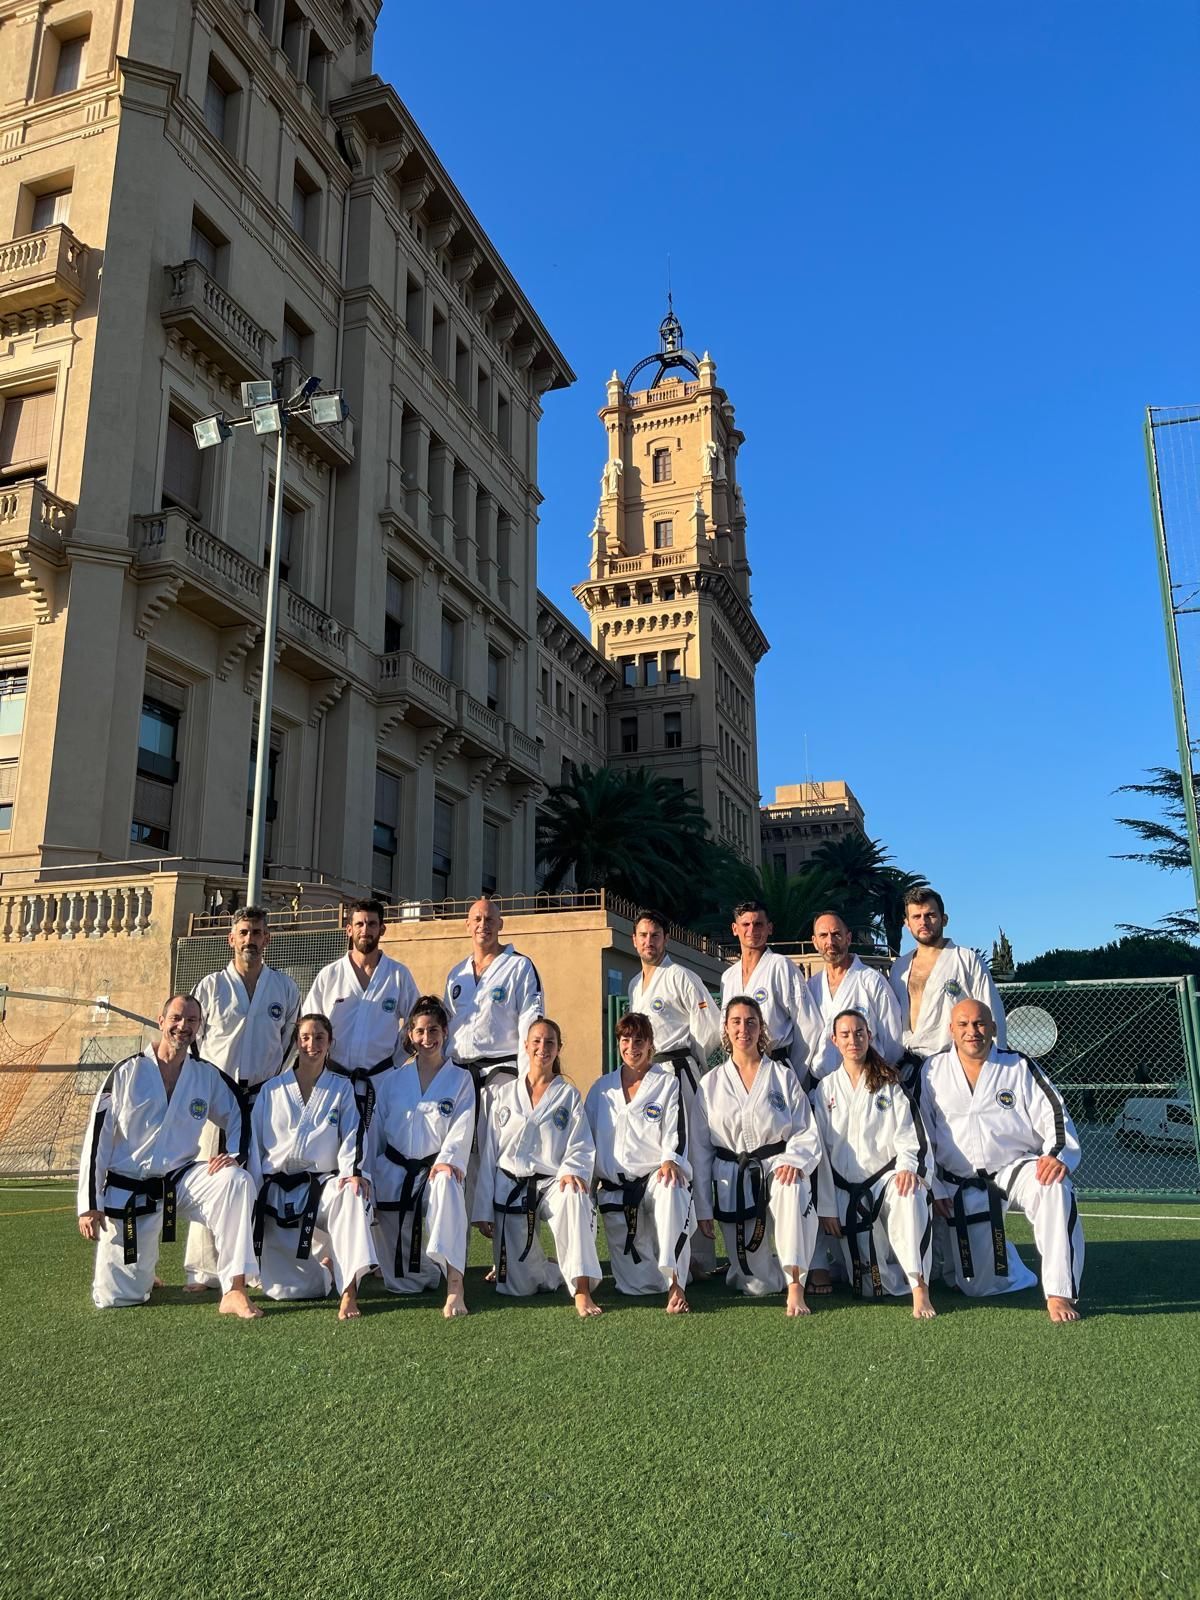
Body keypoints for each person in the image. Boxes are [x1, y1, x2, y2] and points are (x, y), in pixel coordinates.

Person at [76, 995, 261, 1318]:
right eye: (176, 1018)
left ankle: (234, 1288)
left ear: (199, 1027)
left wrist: (234, 1154)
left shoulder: (205, 1075)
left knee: (235, 1181)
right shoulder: (127, 1072)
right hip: (130, 1189)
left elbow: (238, 1112)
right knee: (117, 1297)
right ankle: (140, 1274)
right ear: (161, 1021)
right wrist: (91, 1204)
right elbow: (97, 1139)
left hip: (180, 1182)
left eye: (191, 1020)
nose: (183, 1026)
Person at [918, 999, 1083, 1322]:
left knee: (1054, 1187)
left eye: (980, 1024)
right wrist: (933, 1183)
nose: (972, 1032)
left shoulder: (1017, 1066)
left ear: (993, 1028)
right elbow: (921, 1132)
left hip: (1015, 1167)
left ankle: (1059, 1292)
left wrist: (1056, 1155)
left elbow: (1056, 1115)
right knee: (976, 1286)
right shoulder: (933, 1070)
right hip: (960, 1180)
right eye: (963, 1025)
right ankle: (1012, 1266)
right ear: (951, 1030)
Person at [185, 904, 300, 1291]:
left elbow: (288, 1043)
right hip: (218, 1099)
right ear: (231, 939)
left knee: (257, 1179)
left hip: (263, 1094)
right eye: (244, 933)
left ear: (267, 939)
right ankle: (202, 1269)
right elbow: (196, 1045)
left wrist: (270, 1084)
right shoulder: (210, 986)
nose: (251, 940)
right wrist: (208, 1087)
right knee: (211, 1176)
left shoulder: (284, 987)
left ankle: (252, 1265)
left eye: (257, 933)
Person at [692, 996, 823, 1316]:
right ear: (725, 1029)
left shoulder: (782, 1075)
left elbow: (806, 1131)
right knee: (753, 1283)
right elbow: (699, 1149)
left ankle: (796, 1285)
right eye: (736, 1022)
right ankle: (772, 1269)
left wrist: (794, 1161)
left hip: (778, 1166)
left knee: (792, 1190)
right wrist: (703, 1208)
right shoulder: (710, 1083)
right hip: (733, 1176)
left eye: (751, 1022)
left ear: (761, 1028)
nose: (743, 1029)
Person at [472, 1017, 603, 1317]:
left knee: (574, 1196)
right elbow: (490, 1153)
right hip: (511, 1186)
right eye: (537, 1041)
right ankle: (551, 1270)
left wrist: (572, 1169)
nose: (542, 1048)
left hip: (552, 1183)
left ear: (558, 1049)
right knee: (518, 1287)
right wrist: (482, 1210)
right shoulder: (502, 1094)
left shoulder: (567, 1095)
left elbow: (581, 1145)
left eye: (550, 1043)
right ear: (526, 1045)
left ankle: (580, 1289)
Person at [248, 1012, 376, 1319]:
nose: (312, 1044)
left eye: (319, 1037)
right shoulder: (272, 1090)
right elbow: (254, 1145)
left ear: (330, 1043)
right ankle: (327, 1270)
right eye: (305, 1037)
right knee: (285, 1290)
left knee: (351, 1195)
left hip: (323, 1185)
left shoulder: (342, 1088)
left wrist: (353, 1174)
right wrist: (254, 1194)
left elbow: (353, 1137)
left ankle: (349, 1292)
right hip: (278, 1188)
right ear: (296, 1042)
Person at [809, 1009, 935, 1318]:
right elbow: (820, 1152)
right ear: (834, 1040)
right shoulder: (825, 1089)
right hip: (843, 1191)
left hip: (885, 1181)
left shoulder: (889, 1082)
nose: (854, 1039)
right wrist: (826, 1206)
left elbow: (910, 1135)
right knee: (868, 1285)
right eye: (846, 1034)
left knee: (910, 1194)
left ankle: (920, 1287)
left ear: (870, 1036)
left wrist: (907, 1168)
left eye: (860, 1033)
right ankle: (845, 1267)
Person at [368, 995, 475, 1317]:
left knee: (447, 1187)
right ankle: (428, 1271)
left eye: (433, 1031)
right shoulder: (392, 1081)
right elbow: (375, 1132)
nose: (427, 1039)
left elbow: (462, 1125)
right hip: (396, 1171)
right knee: (403, 1283)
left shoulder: (460, 1078)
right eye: (420, 1032)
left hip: (436, 1168)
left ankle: (455, 1286)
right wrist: (367, 1172)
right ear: (410, 1036)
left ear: (445, 1032)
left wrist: (449, 1160)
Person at [628, 907, 720, 1272]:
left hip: (678, 1071)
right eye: (643, 936)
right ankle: (662, 1249)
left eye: (655, 935)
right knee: (658, 1156)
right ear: (634, 940)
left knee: (689, 1155)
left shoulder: (682, 976)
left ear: (666, 939)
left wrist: (691, 1058)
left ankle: (698, 1255)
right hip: (649, 1075)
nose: (649, 942)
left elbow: (710, 1025)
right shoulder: (636, 985)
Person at [585, 1010, 692, 1313]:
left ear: (651, 1044)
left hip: (654, 1181)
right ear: (618, 1042)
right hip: (617, 1190)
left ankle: (677, 1284)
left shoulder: (666, 1084)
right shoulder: (600, 1089)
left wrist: (670, 1160)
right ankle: (666, 1274)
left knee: (674, 1189)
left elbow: (676, 1131)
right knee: (638, 1287)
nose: (632, 1047)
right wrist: (587, 1186)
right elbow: (586, 1142)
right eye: (626, 1039)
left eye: (639, 1040)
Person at [443, 895, 543, 1216]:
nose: (482, 925)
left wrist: (530, 1083)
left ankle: (506, 1257)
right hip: (460, 1080)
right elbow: (448, 1031)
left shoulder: (519, 967)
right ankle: (455, 1261)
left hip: (502, 1079)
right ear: (467, 925)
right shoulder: (455, 975)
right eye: (477, 919)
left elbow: (531, 1026)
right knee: (458, 1162)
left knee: (501, 1160)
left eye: (489, 920)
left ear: (500, 925)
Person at [302, 899, 419, 1124]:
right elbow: (308, 1027)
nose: (366, 930)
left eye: (372, 924)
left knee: (377, 1148)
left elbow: (417, 1023)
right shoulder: (330, 975)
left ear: (382, 929)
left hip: (381, 1079)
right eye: (360, 924)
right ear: (349, 929)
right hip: (334, 1079)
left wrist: (396, 1059)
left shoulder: (398, 975)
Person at [888, 888, 1007, 1078]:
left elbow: (992, 1015)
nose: (923, 922)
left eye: (930, 915)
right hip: (908, 1068)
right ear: (907, 924)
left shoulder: (967, 960)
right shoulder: (899, 968)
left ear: (944, 919)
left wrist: (997, 1067)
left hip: (954, 1065)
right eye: (916, 916)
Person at [720, 900, 824, 1078]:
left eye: (758, 924)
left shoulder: (781, 966)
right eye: (745, 924)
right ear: (735, 929)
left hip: (775, 1064)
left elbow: (809, 1025)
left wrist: (794, 1074)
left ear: (769, 928)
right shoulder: (728, 977)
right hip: (737, 1068)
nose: (752, 930)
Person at [806, 912, 902, 1083]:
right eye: (823, 935)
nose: (830, 942)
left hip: (867, 1081)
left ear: (848, 938)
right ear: (815, 942)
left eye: (836, 934)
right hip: (822, 1087)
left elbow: (893, 1040)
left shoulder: (871, 981)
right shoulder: (812, 987)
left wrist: (879, 1073)